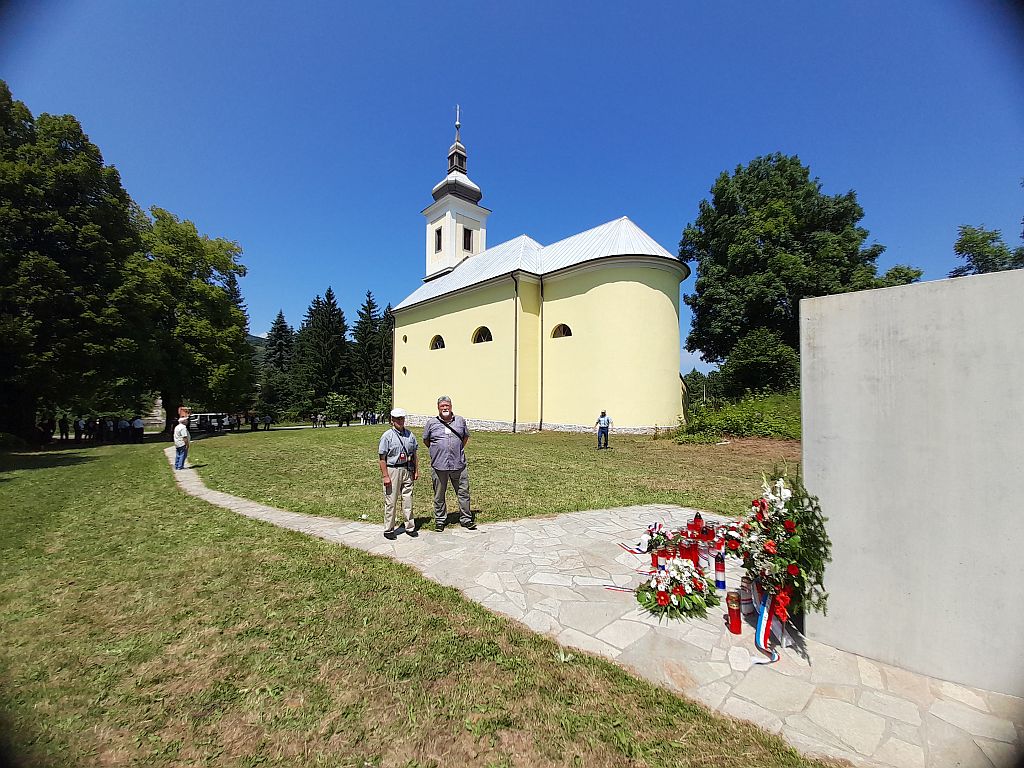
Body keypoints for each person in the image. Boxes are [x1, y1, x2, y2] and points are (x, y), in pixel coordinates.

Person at [422, 395, 474, 531]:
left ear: (451, 407)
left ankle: (466, 519)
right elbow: (426, 440)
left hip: (458, 464)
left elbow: (465, 437)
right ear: (438, 408)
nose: (445, 408)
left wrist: (456, 449)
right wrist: (438, 450)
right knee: (439, 495)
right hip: (439, 465)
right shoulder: (431, 423)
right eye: (442, 406)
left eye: (447, 406)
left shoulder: (460, 421)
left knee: (463, 493)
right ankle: (440, 520)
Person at [377, 407, 419, 540]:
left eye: (402, 419)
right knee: (391, 500)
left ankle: (410, 527)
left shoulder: (410, 435)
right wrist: (385, 476)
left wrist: (416, 470)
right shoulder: (387, 436)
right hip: (393, 469)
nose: (400, 421)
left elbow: (414, 454)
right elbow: (382, 458)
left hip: (407, 469)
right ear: (392, 420)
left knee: (408, 499)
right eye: (397, 419)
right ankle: (389, 529)